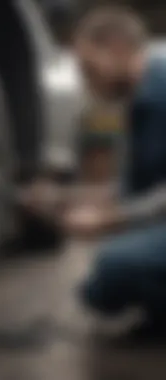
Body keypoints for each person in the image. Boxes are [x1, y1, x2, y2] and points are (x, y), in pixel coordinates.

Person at [63, 6, 166, 340]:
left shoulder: (162, 91)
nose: (85, 81)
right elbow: (138, 186)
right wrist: (67, 199)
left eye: (88, 68)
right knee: (113, 266)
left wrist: (111, 219)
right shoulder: (141, 99)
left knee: (114, 267)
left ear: (118, 50)